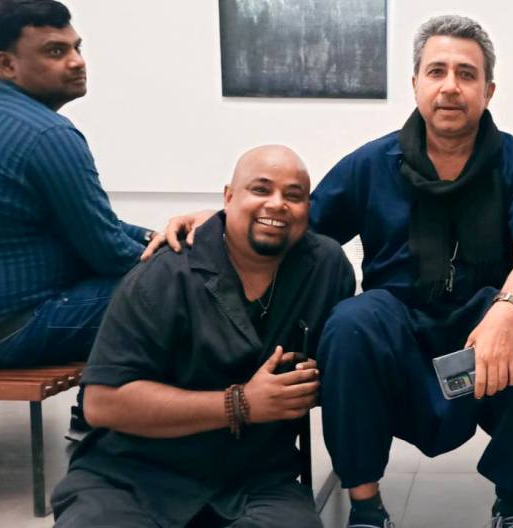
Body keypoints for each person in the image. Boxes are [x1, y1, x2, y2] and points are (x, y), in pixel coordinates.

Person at [149, 15, 513, 528]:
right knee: (348, 324)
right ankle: (366, 506)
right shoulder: (374, 162)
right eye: (436, 71)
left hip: (482, 323)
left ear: (488, 89)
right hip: (398, 325)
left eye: (466, 73)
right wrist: (222, 217)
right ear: (415, 84)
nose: (450, 86)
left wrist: (507, 312)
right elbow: (298, 222)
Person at [50, 145, 356, 528]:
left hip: (256, 481)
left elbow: (340, 365)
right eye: (260, 190)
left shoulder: (326, 269)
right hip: (131, 476)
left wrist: (313, 382)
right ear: (228, 197)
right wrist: (240, 403)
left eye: (293, 196)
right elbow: (102, 403)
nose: (277, 204)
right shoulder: (163, 275)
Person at [0, 0, 153, 368]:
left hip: (0, 322)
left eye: (76, 48)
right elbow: (107, 253)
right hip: (16, 330)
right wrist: (181, 261)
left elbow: (80, 223)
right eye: (55, 51)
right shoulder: (47, 133)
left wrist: (150, 239)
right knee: (179, 290)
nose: (77, 61)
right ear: (7, 64)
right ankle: (105, 416)